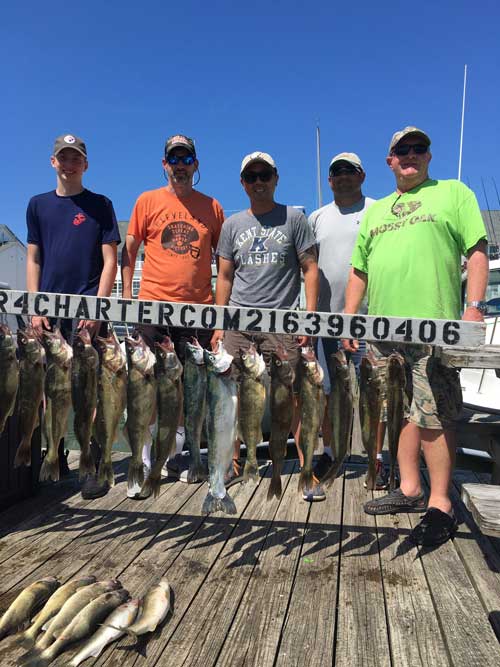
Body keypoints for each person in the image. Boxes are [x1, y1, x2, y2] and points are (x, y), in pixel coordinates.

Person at [343, 126, 488, 546]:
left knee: (434, 414)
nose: (409, 155)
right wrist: (351, 317)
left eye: (417, 148)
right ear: (389, 161)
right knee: (396, 411)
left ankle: (440, 502)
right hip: (382, 332)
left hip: (433, 329)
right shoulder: (376, 210)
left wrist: (473, 307)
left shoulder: (453, 193)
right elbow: (359, 270)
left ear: (428, 155)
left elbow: (477, 252)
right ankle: (409, 487)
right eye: (401, 150)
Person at [213, 151, 322, 500]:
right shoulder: (232, 225)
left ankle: (306, 468)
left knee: (290, 398)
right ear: (243, 184)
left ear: (276, 178)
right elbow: (225, 276)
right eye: (251, 177)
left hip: (283, 321)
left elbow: (310, 269)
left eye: (264, 176)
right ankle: (232, 464)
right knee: (231, 397)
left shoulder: (294, 218)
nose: (258, 182)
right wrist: (219, 321)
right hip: (239, 323)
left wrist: (309, 315)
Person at [121, 134, 224, 495]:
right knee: (145, 387)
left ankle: (177, 455)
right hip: (152, 304)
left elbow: (224, 263)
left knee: (185, 389)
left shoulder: (212, 206)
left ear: (195, 165)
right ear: (164, 164)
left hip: (197, 309)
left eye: (186, 159)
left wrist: (221, 314)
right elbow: (129, 250)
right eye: (174, 159)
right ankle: (144, 459)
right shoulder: (146, 200)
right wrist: (128, 295)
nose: (180, 166)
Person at [26, 133, 121, 497]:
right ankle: (56, 453)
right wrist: (35, 306)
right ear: (53, 163)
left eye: (76, 158)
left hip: (88, 311)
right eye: (63, 158)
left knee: (91, 392)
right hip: (50, 313)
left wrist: (98, 307)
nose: (69, 164)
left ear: (86, 164)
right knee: (53, 390)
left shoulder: (100, 204)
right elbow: (34, 258)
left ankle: (92, 462)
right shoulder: (37, 205)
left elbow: (110, 260)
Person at [309, 152, 388, 488]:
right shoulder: (317, 217)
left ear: (362, 175)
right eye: (336, 172)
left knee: (375, 395)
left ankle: (376, 457)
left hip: (369, 320)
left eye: (349, 171)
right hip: (327, 322)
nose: (343, 177)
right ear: (329, 180)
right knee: (329, 392)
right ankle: (331, 451)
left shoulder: (379, 210)